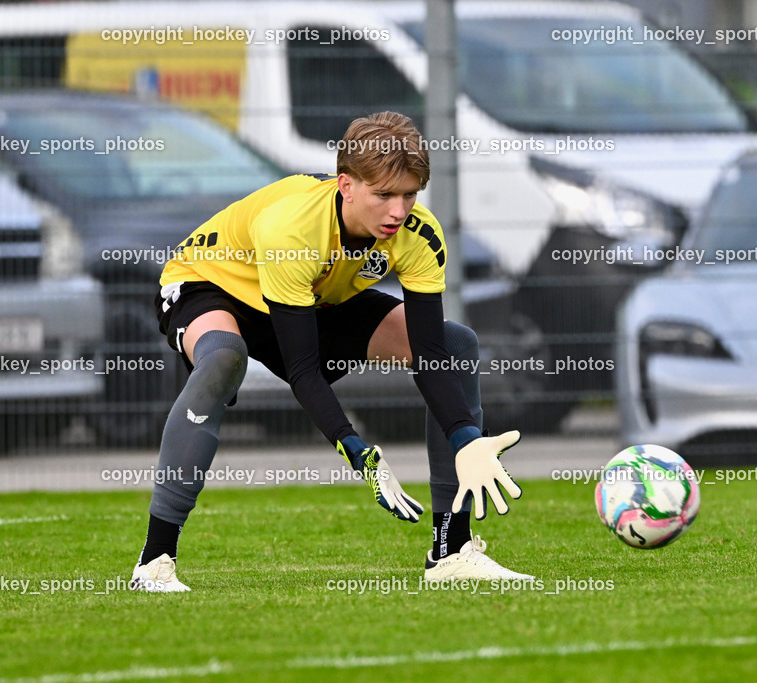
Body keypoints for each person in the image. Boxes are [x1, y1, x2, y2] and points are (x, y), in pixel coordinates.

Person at [130, 111, 531, 592]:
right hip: (210, 283)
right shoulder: (294, 229)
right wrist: (358, 451)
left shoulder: (418, 234)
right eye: (384, 195)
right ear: (346, 185)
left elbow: (429, 355)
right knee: (223, 359)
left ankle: (451, 551)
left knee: (456, 343)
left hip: (312, 292)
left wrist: (467, 438)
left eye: (409, 195)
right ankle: (154, 560)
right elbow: (301, 369)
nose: (398, 211)